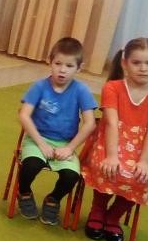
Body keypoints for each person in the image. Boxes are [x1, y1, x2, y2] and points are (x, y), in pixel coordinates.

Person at [80, 38, 148, 241]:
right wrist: (112, 156)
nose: (143, 68)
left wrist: (144, 162)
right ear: (124, 63)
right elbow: (111, 123)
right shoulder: (112, 87)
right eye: (136, 62)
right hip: (109, 141)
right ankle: (98, 209)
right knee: (109, 167)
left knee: (139, 176)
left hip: (140, 148)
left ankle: (113, 216)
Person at [15, 37, 97, 225]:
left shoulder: (81, 90)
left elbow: (90, 123)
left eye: (69, 66)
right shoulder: (39, 87)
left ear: (79, 68)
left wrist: (70, 148)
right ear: (49, 62)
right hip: (37, 140)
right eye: (58, 63)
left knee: (71, 175)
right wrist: (41, 143)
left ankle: (53, 198)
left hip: (64, 144)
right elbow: (24, 115)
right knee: (31, 165)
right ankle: (24, 192)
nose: (62, 70)